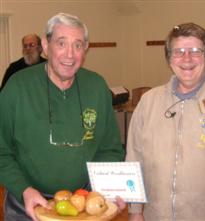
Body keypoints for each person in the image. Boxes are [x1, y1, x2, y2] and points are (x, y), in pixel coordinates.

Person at [0, 13, 125, 221]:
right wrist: (23, 189)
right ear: (45, 46)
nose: (70, 54)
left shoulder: (96, 87)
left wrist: (107, 189)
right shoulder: (17, 87)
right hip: (27, 203)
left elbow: (110, 148)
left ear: (85, 50)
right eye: (61, 43)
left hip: (82, 205)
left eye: (78, 45)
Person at [126, 23, 205, 221]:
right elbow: (134, 159)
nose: (187, 58)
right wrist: (135, 211)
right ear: (169, 59)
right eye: (178, 52)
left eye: (195, 51)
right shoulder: (148, 101)